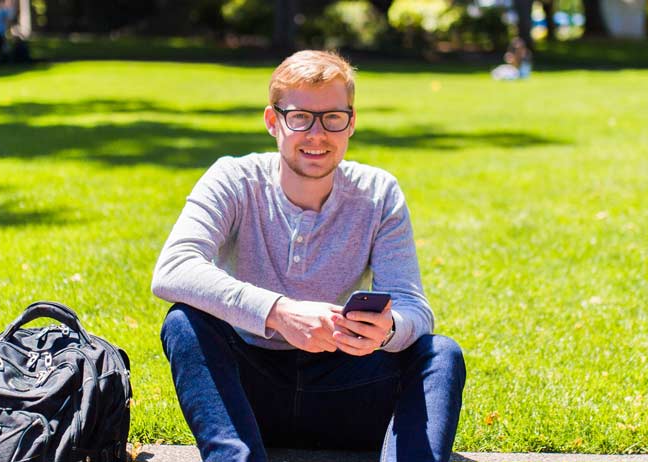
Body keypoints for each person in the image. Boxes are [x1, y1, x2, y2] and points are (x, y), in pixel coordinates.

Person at [152, 50, 466, 462]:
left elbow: (415, 310)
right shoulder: (234, 178)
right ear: (272, 121)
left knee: (440, 353)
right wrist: (279, 312)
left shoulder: (378, 192)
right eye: (300, 117)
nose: (317, 135)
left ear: (351, 123)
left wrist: (387, 330)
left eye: (333, 118)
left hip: (347, 392)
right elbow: (173, 269)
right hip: (250, 394)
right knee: (184, 322)